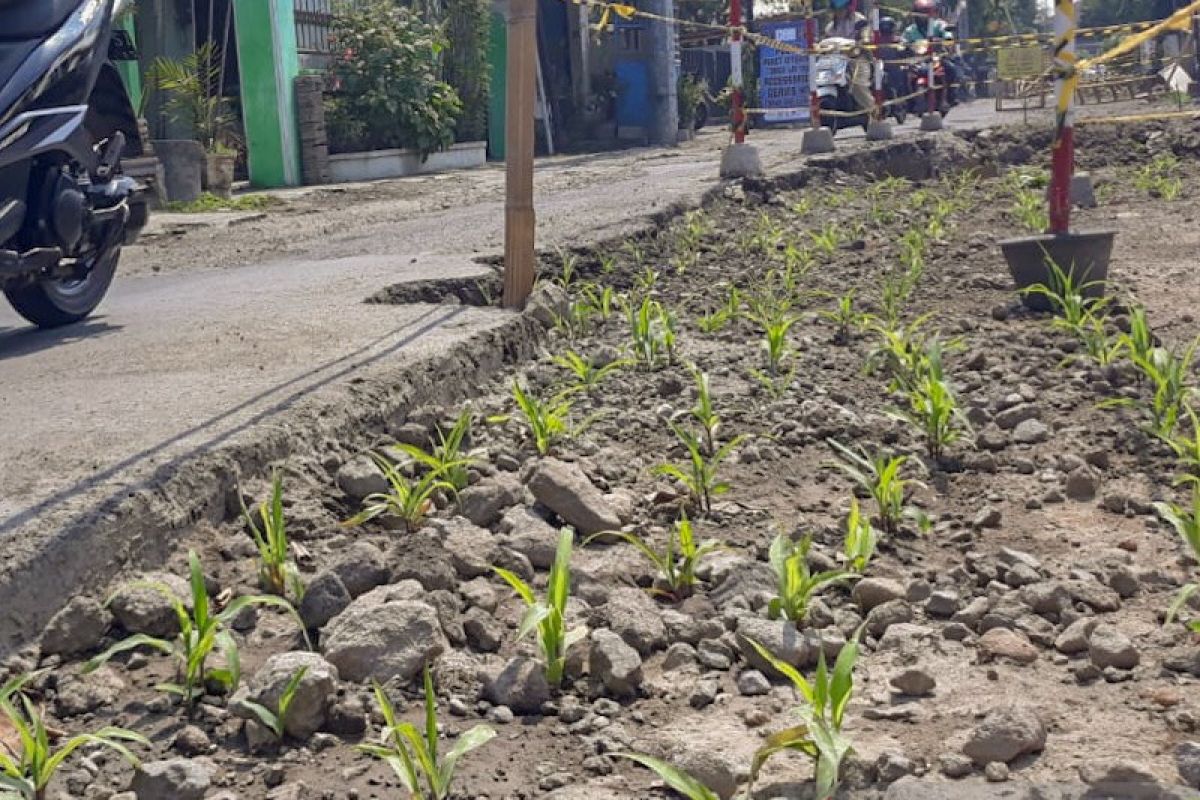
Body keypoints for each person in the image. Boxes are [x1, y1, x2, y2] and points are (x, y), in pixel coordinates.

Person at [902, 0, 961, 103]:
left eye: (925, 12)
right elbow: (903, 42)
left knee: (951, 68)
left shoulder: (939, 24)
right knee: (902, 73)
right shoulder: (910, 30)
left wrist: (946, 39)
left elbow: (947, 34)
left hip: (937, 57)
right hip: (918, 59)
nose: (922, 16)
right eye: (919, 12)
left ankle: (951, 95)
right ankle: (905, 100)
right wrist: (902, 46)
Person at [825, 0, 874, 114]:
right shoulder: (830, 27)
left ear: (849, 7)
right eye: (836, 9)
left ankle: (874, 111)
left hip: (857, 58)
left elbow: (866, 37)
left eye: (841, 9)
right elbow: (825, 42)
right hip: (836, 61)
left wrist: (862, 41)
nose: (839, 12)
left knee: (858, 84)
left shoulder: (860, 21)